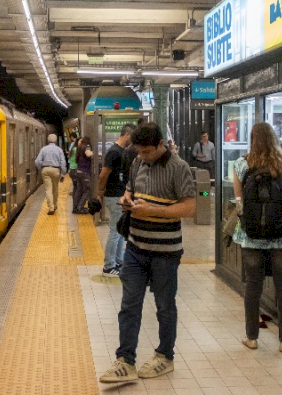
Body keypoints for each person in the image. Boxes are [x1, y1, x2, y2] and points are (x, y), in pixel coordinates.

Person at [99, 123, 196, 383]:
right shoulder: (137, 163)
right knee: (129, 306)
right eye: (139, 152)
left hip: (165, 252)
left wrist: (153, 210)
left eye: (147, 152)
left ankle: (165, 356)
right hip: (135, 248)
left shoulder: (179, 168)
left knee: (164, 306)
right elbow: (130, 191)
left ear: (161, 144)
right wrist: (126, 201)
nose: (142, 156)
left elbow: (189, 208)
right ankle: (125, 361)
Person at [232, 122, 282, 353]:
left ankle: (252, 337)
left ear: (252, 139)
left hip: (251, 237)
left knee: (253, 287)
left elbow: (239, 204)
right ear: (274, 138)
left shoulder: (241, 164)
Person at [96, 124, 136, 277]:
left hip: (119, 195)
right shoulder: (114, 152)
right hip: (114, 195)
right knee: (114, 231)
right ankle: (108, 266)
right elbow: (103, 175)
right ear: (127, 135)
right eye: (132, 137)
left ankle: (118, 261)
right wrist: (100, 193)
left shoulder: (121, 151)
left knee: (119, 231)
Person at [34, 134, 67, 215]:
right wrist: (63, 174)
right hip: (56, 170)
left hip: (45, 170)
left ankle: (51, 207)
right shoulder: (59, 150)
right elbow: (63, 163)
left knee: (48, 189)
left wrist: (41, 168)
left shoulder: (44, 149)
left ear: (48, 140)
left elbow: (37, 161)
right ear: (56, 140)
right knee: (55, 188)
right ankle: (55, 205)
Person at [72, 136, 94, 213]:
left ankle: (75, 208)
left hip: (78, 171)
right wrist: (95, 152)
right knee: (88, 189)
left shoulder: (79, 148)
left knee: (79, 190)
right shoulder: (87, 146)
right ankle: (80, 207)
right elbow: (88, 154)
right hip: (85, 172)